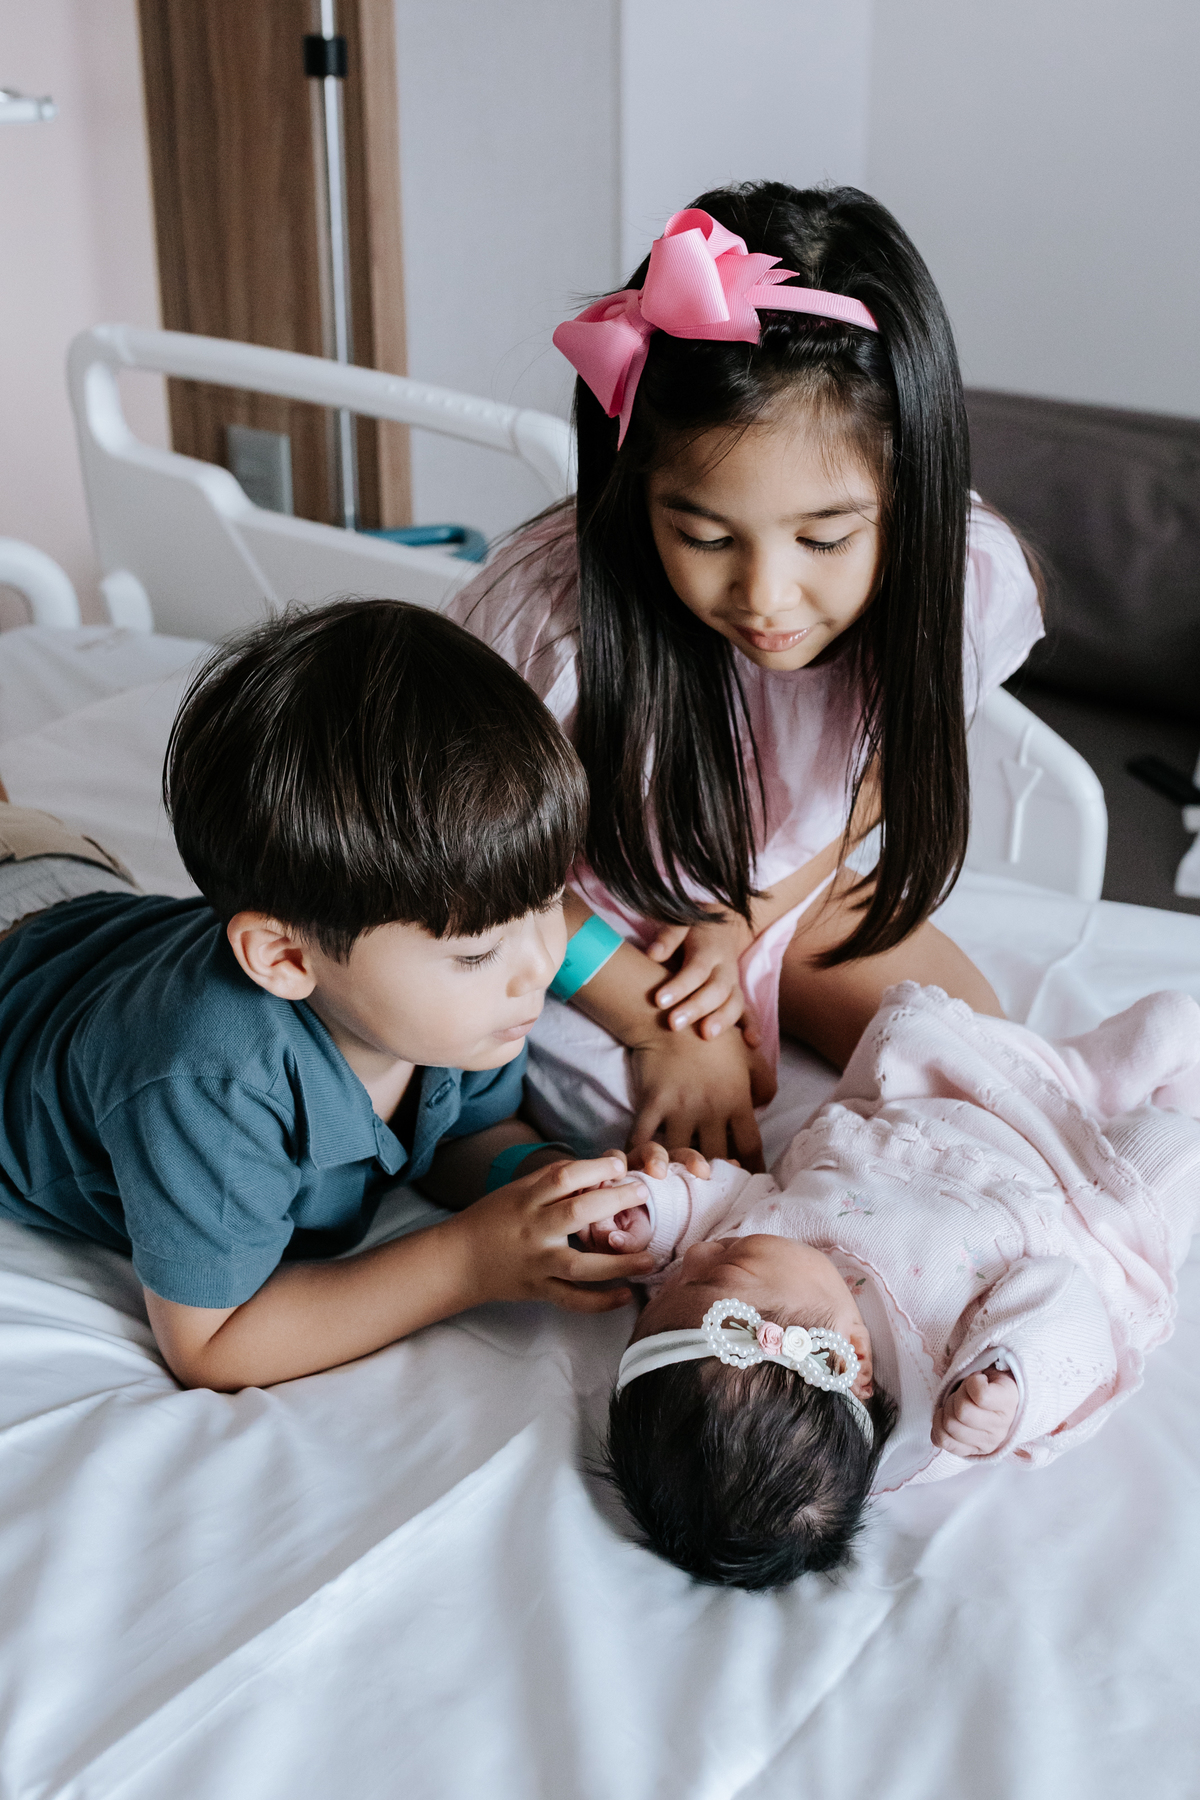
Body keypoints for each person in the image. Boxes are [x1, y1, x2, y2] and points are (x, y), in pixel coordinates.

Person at [450, 181, 1044, 1169]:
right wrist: (659, 1021)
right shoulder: (552, 625)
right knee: (674, 1165)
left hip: (772, 889)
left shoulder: (956, 576)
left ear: (909, 496)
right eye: (704, 535)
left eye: (824, 539)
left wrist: (742, 919)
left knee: (990, 1081)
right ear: (637, 491)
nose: (767, 597)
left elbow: (872, 771)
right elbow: (459, 865)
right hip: (567, 925)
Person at [0, 600, 656, 1392]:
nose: (539, 966)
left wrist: (550, 1188)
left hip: (67, 886)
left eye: (549, 903)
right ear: (284, 958)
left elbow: (461, 1137)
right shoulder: (210, 1079)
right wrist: (469, 1261)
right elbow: (213, 1345)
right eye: (478, 951)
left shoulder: (462, 1012)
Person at [586, 982, 1200, 1590]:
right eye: (715, 1272)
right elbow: (1071, 1311)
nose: (695, 1255)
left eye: (672, 1282)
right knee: (1173, 1147)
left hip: (955, 1108)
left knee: (1153, 1028)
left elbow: (728, 1205)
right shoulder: (946, 1394)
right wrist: (1014, 1384)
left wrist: (654, 1217)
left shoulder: (753, 1258)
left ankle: (1083, 1076)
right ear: (845, 1359)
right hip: (1080, 1202)